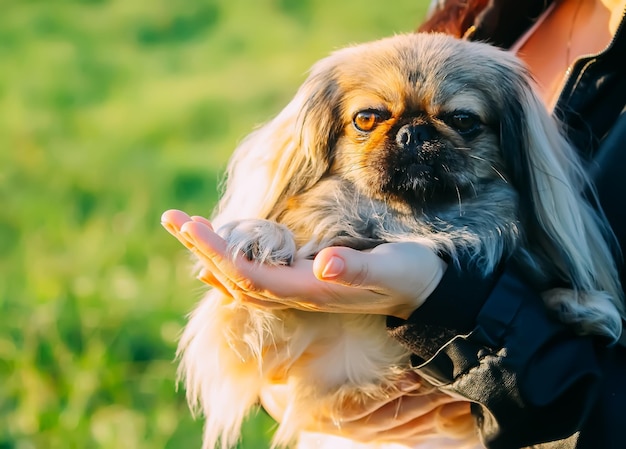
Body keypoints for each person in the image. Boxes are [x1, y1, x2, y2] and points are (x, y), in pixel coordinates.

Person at [162, 0, 626, 447]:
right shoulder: (484, 8)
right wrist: (282, 387)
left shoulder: (541, 241)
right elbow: (236, 355)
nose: (411, 136)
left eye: (460, 120)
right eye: (369, 118)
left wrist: (441, 300)